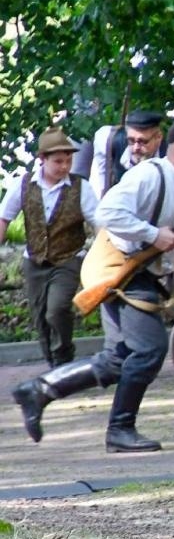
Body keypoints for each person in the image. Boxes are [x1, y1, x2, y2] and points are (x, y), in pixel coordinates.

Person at [12, 117, 174, 451]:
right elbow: (108, 213)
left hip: (145, 272)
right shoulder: (149, 175)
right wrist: (152, 234)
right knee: (149, 349)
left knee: (119, 358)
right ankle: (120, 429)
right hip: (118, 266)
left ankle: (40, 389)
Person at [0, 127, 100, 366]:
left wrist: (101, 253)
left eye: (68, 160)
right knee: (40, 318)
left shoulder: (81, 187)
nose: (65, 166)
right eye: (58, 161)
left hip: (69, 259)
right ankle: (54, 365)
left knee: (56, 310)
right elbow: (4, 219)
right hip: (33, 261)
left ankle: (64, 357)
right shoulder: (22, 185)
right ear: (42, 159)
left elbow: (99, 223)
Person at [76, 110, 165, 197]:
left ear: (158, 137)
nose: (136, 148)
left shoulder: (168, 159)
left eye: (143, 141)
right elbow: (100, 188)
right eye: (131, 140)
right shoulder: (110, 141)